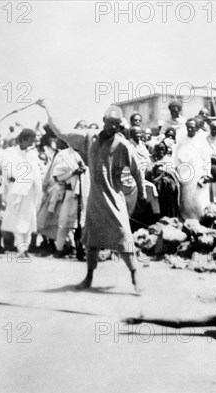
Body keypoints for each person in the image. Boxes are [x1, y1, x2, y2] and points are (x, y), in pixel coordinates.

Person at [39, 101, 146, 293]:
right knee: (91, 239)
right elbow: (62, 132)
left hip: (115, 197)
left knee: (123, 233)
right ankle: (88, 277)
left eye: (117, 123)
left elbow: (137, 170)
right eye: (110, 122)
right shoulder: (89, 138)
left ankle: (134, 272)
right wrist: (48, 108)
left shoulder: (122, 145)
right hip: (95, 197)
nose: (113, 126)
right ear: (103, 121)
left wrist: (143, 193)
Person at [0, 128, 43, 258]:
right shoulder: (11, 153)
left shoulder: (33, 154)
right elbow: (7, 172)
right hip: (15, 190)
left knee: (28, 219)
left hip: (29, 191)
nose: (32, 144)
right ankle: (20, 247)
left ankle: (26, 247)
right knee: (16, 219)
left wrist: (37, 189)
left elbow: (36, 173)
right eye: (30, 141)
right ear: (23, 139)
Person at [174, 118, 212, 220]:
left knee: (199, 199)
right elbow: (176, 157)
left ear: (196, 128)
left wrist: (206, 173)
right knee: (186, 199)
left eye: (192, 127)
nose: (190, 129)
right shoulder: (181, 140)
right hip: (185, 173)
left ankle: (201, 219)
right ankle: (187, 220)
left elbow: (207, 158)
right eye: (188, 127)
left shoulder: (201, 140)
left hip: (199, 172)